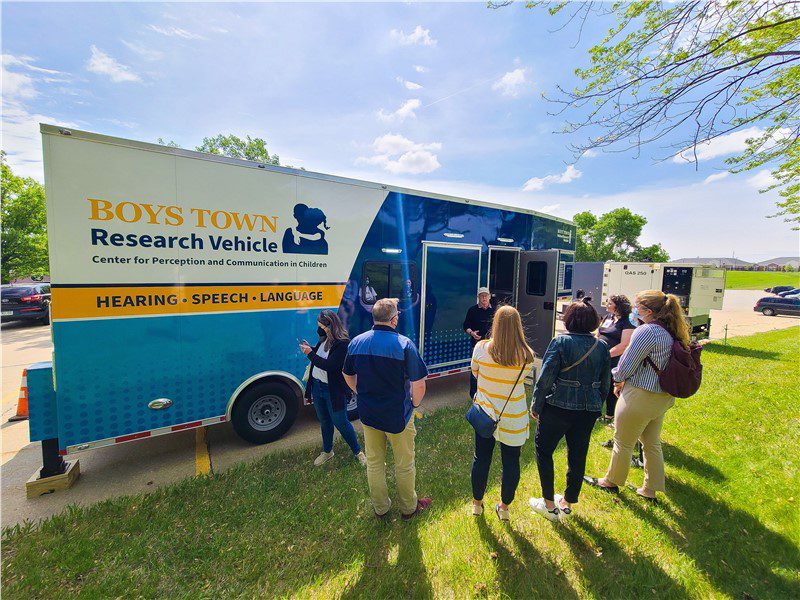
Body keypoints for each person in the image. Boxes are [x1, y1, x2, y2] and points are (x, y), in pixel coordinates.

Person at [584, 290, 689, 502]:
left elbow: (626, 363)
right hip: (661, 396)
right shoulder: (669, 329)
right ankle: (650, 489)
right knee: (651, 443)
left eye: (638, 307)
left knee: (622, 441)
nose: (635, 311)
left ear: (648, 311)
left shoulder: (647, 331)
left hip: (640, 394)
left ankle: (611, 482)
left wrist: (617, 379)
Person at [342, 298, 432, 520]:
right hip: (398, 416)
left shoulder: (356, 343)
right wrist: (415, 404)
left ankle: (381, 509)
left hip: (368, 414)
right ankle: (409, 508)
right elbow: (419, 384)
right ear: (393, 320)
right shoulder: (404, 344)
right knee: (404, 464)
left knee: (374, 463)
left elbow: (347, 374)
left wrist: (360, 393)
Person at [528, 298, 610, 521]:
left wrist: (536, 405)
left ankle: (548, 505)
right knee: (578, 453)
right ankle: (567, 501)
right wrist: (597, 404)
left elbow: (545, 378)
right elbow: (605, 382)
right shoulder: (601, 345)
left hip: (557, 408)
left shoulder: (560, 342)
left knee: (544, 451)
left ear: (569, 320)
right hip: (588, 410)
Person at [470, 305, 535, 521]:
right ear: (518, 326)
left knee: (481, 459)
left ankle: (477, 504)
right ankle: (504, 507)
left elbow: (475, 373)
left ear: (495, 324)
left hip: (485, 413)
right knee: (511, 463)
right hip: (514, 416)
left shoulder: (481, 348)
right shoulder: (527, 355)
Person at [300, 310, 366, 467]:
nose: (319, 329)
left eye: (321, 326)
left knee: (341, 422)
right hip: (317, 386)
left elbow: (330, 365)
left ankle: (358, 452)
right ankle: (328, 451)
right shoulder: (324, 340)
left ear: (330, 325)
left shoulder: (342, 344)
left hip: (332, 390)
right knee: (324, 420)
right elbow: (321, 357)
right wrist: (312, 349)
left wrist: (310, 354)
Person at [597, 295, 636, 427]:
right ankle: (598, 411)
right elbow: (599, 333)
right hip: (600, 357)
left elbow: (625, 345)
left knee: (611, 386)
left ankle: (610, 414)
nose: (607, 305)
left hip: (614, 359)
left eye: (610, 303)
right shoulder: (608, 317)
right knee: (600, 385)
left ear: (618, 306)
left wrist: (605, 355)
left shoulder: (627, 321)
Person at [463, 287, 496, 398]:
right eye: (482, 296)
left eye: (486, 295)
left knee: (490, 369)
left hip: (492, 346)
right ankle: (474, 395)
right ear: (478, 297)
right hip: (477, 346)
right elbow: (465, 326)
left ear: (489, 297)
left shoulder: (495, 311)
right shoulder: (472, 310)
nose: (484, 298)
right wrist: (472, 333)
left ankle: (487, 394)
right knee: (475, 370)